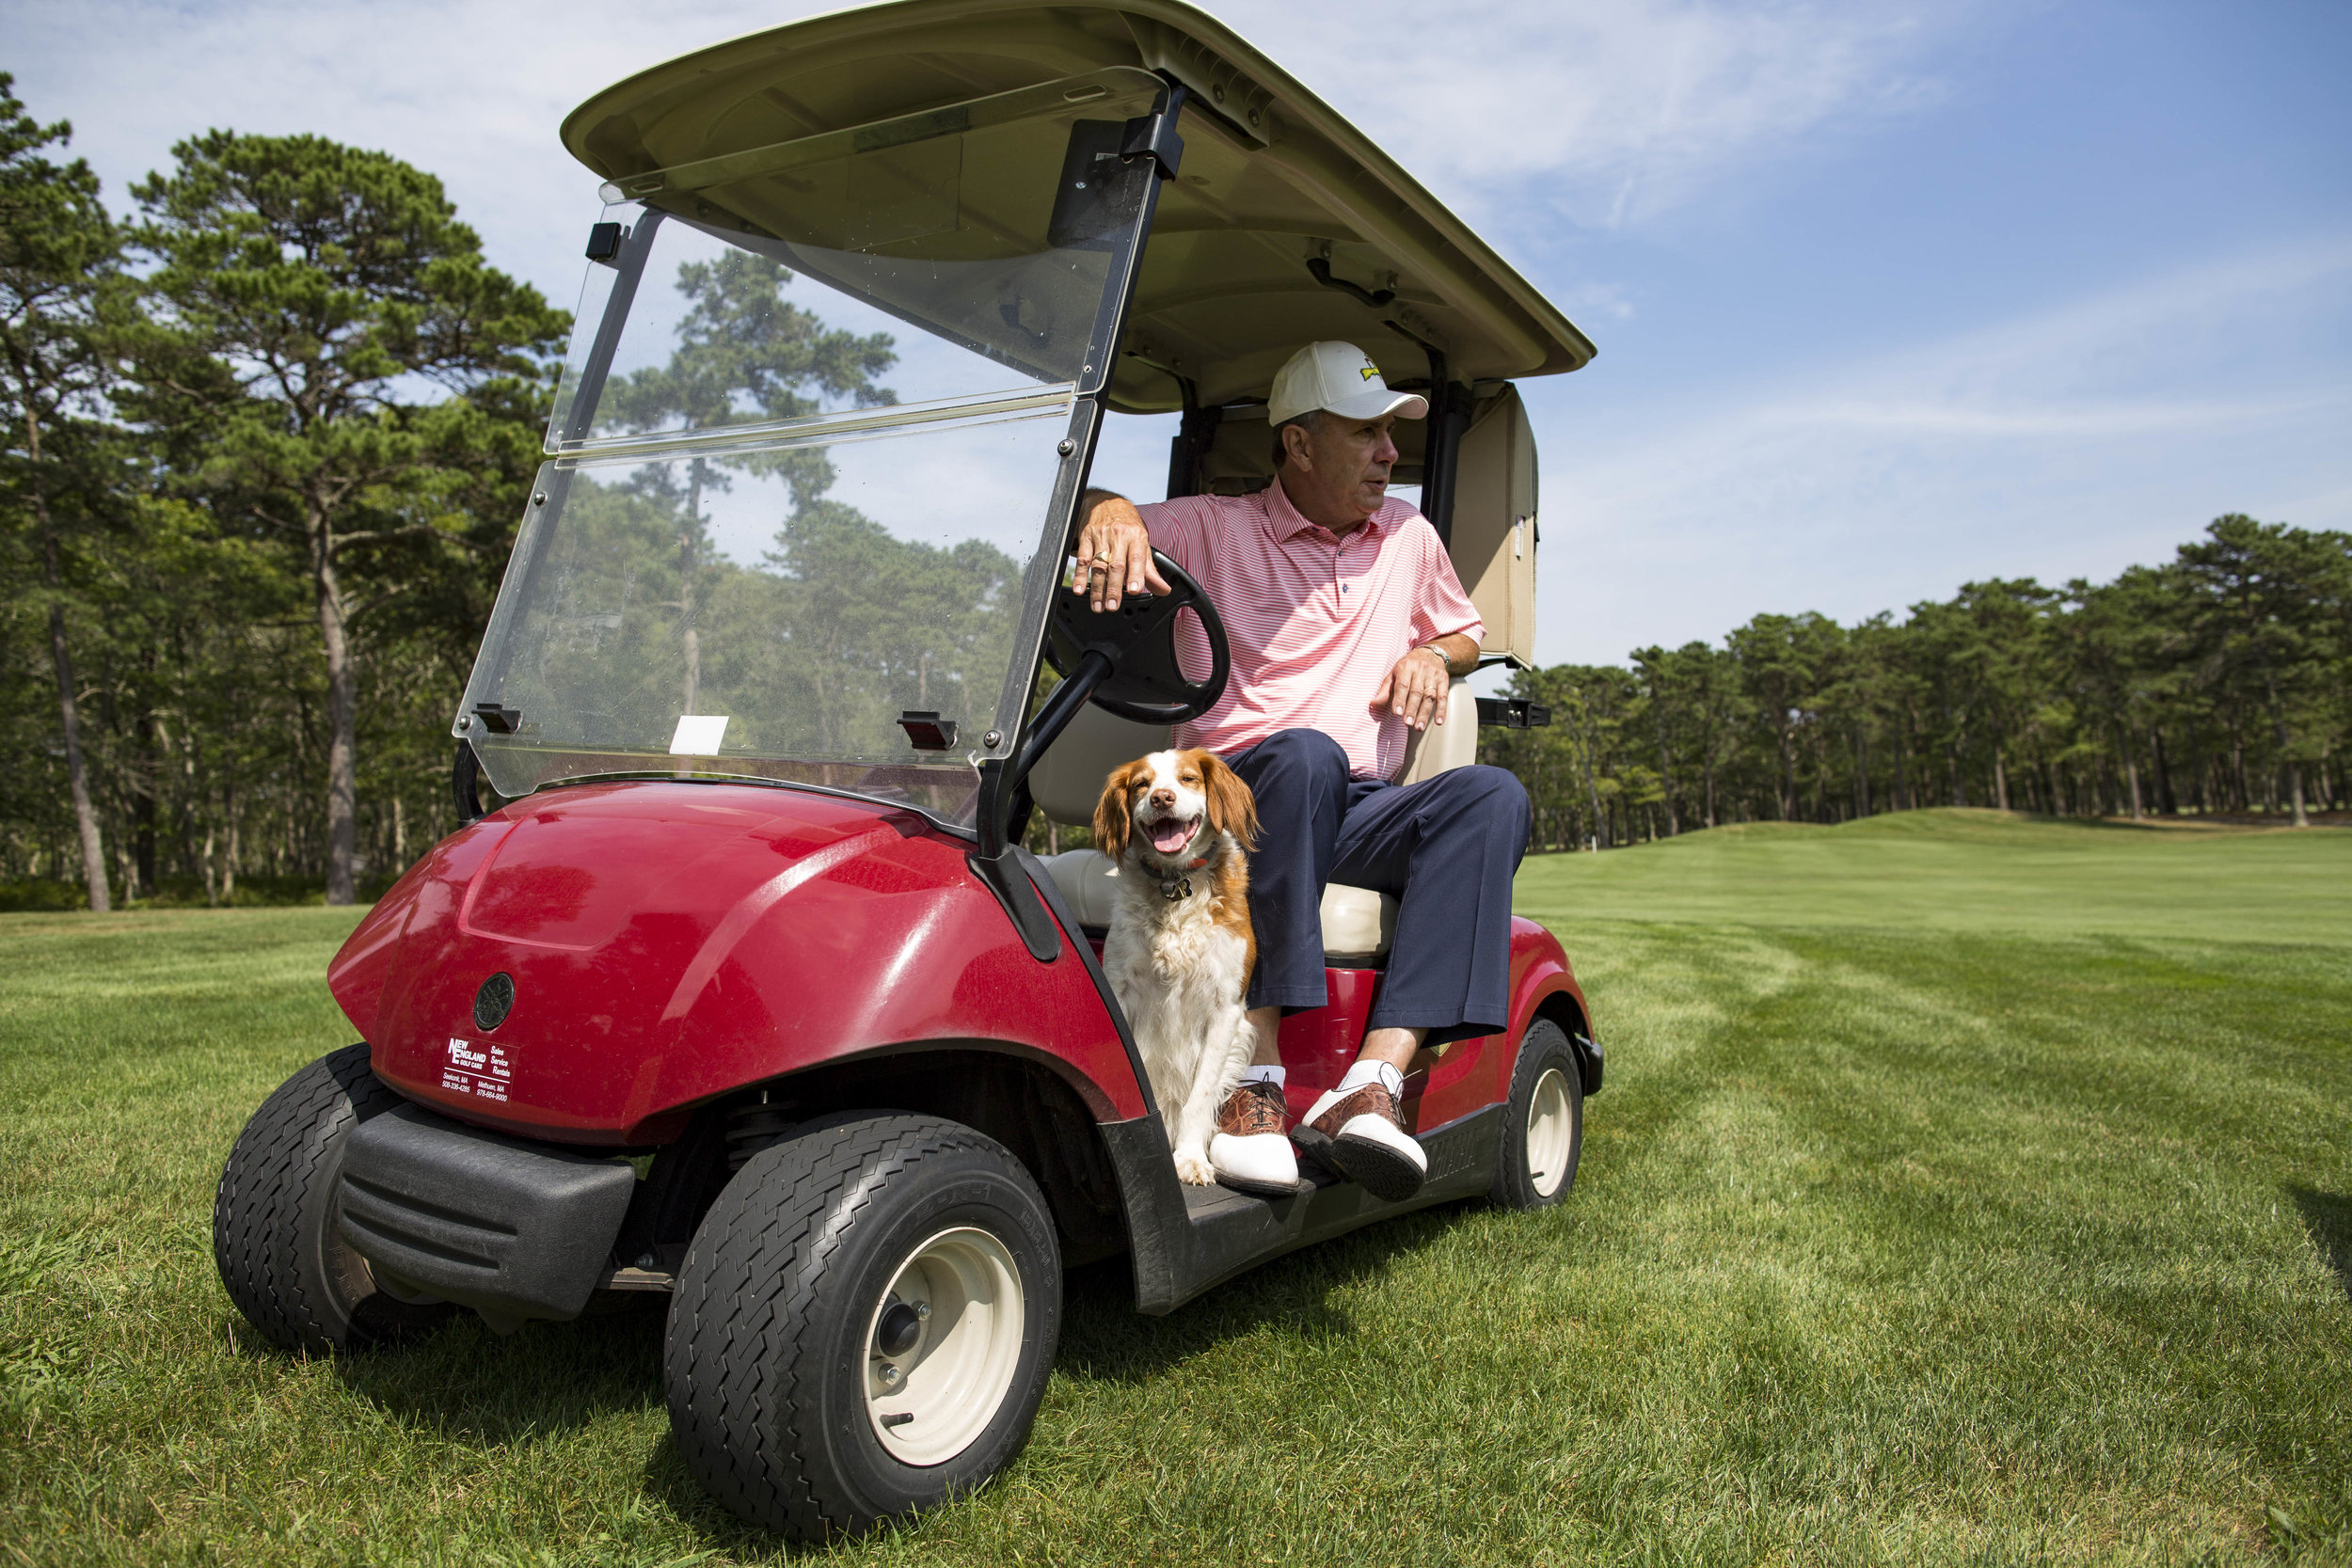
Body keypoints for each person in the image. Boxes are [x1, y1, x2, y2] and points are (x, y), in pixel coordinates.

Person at [1073, 341, 1533, 1201]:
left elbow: (1465, 629)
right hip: (1235, 798)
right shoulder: (1214, 527)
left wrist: (1437, 650)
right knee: (1303, 754)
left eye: (1391, 435)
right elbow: (1091, 512)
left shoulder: (1407, 534)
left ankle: (1373, 1081)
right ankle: (1255, 1077)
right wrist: (1111, 513)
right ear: (1299, 444)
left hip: (1352, 803)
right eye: (1366, 434)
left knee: (1490, 794)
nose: (1390, 455)